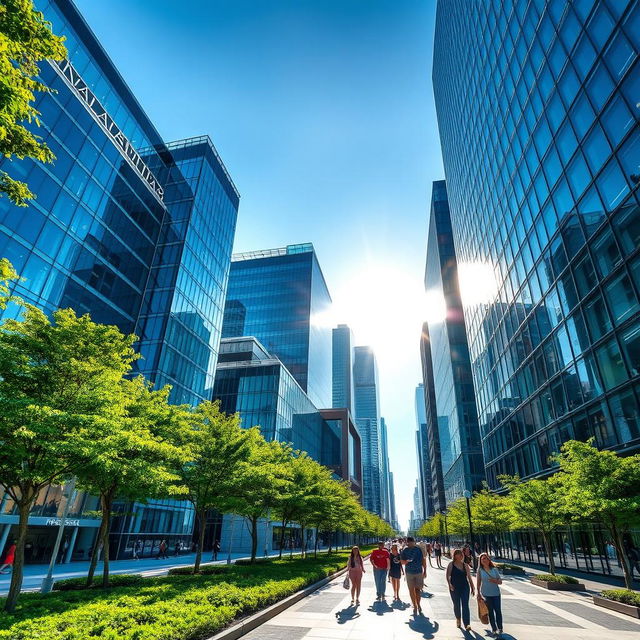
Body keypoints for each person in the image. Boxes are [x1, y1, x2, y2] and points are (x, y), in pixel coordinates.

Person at [446, 548, 475, 630]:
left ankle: (467, 624)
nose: (459, 555)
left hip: (465, 587)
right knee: (456, 604)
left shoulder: (465, 565)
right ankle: (458, 618)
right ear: (454, 555)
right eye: (457, 554)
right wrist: (450, 584)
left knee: (465, 605)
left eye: (460, 554)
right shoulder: (451, 564)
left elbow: (469, 577)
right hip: (454, 587)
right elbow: (448, 576)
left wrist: (472, 587)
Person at [477, 552, 503, 637]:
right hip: (486, 594)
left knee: (498, 611)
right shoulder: (480, 570)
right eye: (483, 559)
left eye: (486, 558)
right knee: (490, 612)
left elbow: (500, 581)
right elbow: (478, 582)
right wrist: (478, 593)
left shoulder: (494, 569)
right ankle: (494, 629)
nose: (485, 560)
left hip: (495, 593)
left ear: (489, 559)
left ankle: (500, 628)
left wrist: (495, 581)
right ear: (480, 561)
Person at [400, 536, 426, 615]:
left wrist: (425, 570)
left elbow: (423, 560)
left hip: (418, 572)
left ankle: (418, 604)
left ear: (414, 542)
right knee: (411, 590)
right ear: (407, 542)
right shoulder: (405, 550)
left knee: (418, 590)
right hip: (409, 572)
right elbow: (402, 561)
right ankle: (414, 605)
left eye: (412, 541)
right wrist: (406, 562)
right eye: (409, 542)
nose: (410, 543)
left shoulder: (418, 550)